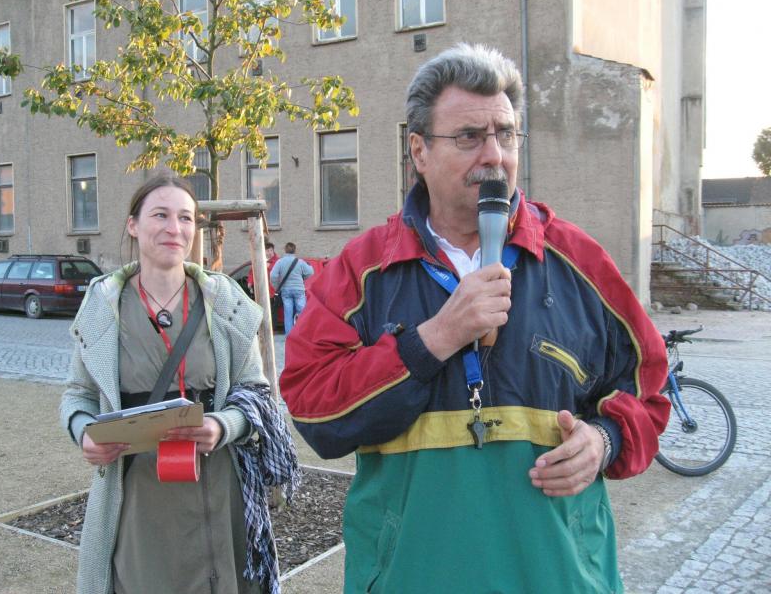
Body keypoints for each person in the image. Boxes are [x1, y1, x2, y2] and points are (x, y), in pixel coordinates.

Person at [280, 43, 670, 593]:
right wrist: (433, 340)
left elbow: (650, 389)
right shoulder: (361, 271)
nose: (494, 155)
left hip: (555, 578)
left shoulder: (580, 262)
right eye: (469, 137)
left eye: (505, 134)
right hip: (412, 578)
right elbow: (311, 407)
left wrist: (604, 439)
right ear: (419, 150)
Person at [59, 173, 298, 594]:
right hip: (138, 497)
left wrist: (222, 425)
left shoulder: (225, 301)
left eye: (186, 218)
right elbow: (78, 393)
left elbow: (258, 393)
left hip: (218, 488)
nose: (175, 228)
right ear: (133, 225)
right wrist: (84, 432)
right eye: (161, 215)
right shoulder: (102, 304)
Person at [269, 242, 314, 334]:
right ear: (295, 250)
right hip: (298, 289)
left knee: (288, 313)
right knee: (302, 312)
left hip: (285, 290)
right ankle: (302, 333)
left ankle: (289, 336)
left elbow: (273, 276)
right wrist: (303, 278)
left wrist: (277, 287)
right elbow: (311, 272)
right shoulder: (300, 262)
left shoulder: (280, 262)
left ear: (285, 250)